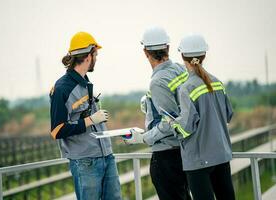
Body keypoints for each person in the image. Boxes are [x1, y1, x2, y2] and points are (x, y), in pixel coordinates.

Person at [49, 32, 121, 200]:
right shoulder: (61, 88)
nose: (97, 58)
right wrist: (90, 120)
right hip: (85, 163)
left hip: (106, 157)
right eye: (96, 54)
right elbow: (57, 131)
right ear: (88, 56)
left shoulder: (85, 82)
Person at [123, 27, 191, 200]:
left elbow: (170, 122)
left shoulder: (158, 81)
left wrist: (144, 138)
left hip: (167, 155)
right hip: (184, 151)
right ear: (167, 47)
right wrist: (150, 103)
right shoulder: (180, 69)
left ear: (145, 52)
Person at [170, 33, 235, 200]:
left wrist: (173, 124)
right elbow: (229, 114)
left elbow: (186, 128)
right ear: (204, 55)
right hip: (221, 155)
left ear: (183, 56)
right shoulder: (217, 82)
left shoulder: (187, 88)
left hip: (198, 161)